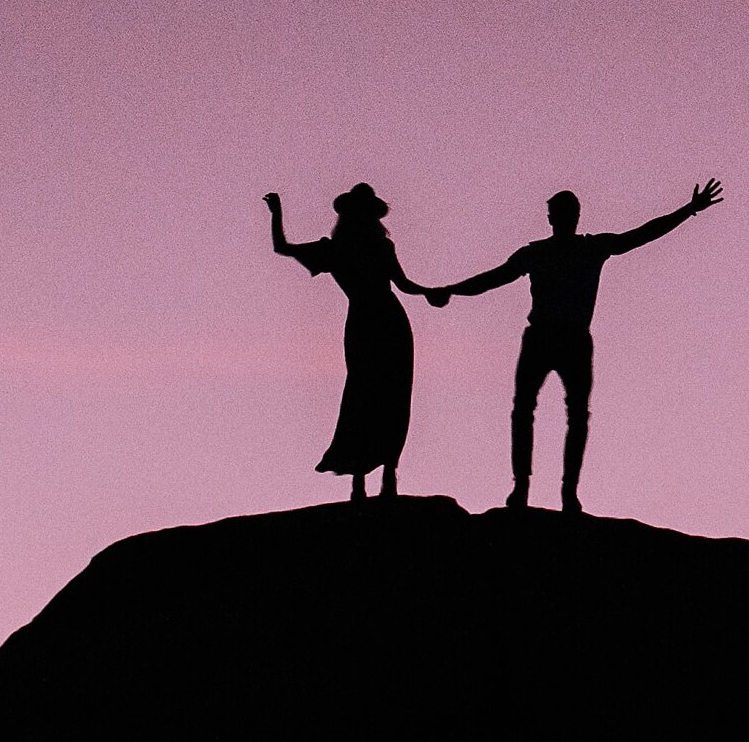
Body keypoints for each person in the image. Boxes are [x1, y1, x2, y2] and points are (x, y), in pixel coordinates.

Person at [429, 179, 721, 513]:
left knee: (567, 414)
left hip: (571, 338)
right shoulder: (539, 253)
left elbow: (642, 235)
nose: (565, 218)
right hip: (543, 336)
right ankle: (525, 487)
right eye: (560, 212)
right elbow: (493, 278)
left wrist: (688, 210)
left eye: (568, 212)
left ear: (572, 217)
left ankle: (564, 492)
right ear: (553, 218)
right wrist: (451, 289)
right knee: (532, 410)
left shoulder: (588, 248)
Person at [266, 184, 435, 503]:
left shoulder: (362, 249)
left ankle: (384, 475)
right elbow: (283, 248)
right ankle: (364, 477)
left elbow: (404, 284)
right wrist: (277, 214)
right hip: (373, 323)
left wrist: (429, 291)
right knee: (368, 394)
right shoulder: (339, 249)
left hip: (381, 322)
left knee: (390, 395)